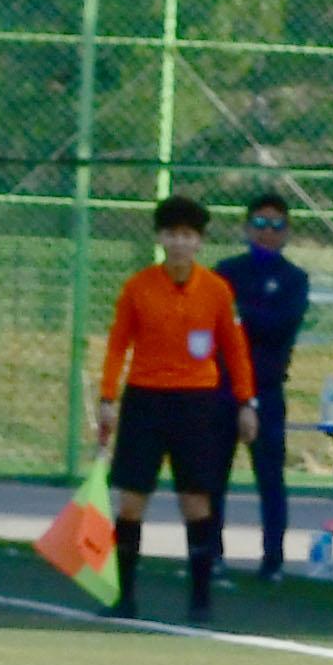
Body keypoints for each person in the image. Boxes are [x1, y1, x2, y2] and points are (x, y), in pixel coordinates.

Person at [95, 194, 257, 624]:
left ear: (200, 242)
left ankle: (200, 599)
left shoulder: (218, 291)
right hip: (146, 399)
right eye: (172, 234)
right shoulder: (138, 287)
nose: (180, 243)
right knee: (131, 501)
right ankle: (123, 595)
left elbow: (235, 350)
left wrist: (246, 401)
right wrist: (108, 397)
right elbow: (117, 344)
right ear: (161, 238)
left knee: (196, 500)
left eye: (189, 235)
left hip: (197, 402)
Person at [216, 191, 309, 580]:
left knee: (270, 477)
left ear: (286, 232)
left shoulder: (293, 279)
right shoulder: (226, 270)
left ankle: (273, 559)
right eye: (259, 224)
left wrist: (244, 316)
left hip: (267, 388)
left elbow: (279, 326)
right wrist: (241, 320)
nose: (267, 232)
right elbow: (219, 321)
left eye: (276, 225)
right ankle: (210, 554)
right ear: (246, 227)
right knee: (212, 473)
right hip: (222, 387)